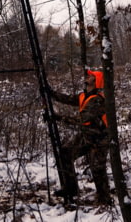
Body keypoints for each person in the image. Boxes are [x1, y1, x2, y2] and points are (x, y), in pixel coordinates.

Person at [46, 69, 112, 206]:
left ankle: (104, 200)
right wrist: (50, 93)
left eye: (91, 76)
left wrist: (57, 117)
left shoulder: (98, 100)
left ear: (96, 81)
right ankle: (71, 189)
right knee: (65, 153)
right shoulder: (84, 95)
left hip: (99, 139)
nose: (87, 76)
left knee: (97, 169)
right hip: (86, 135)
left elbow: (81, 119)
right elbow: (68, 99)